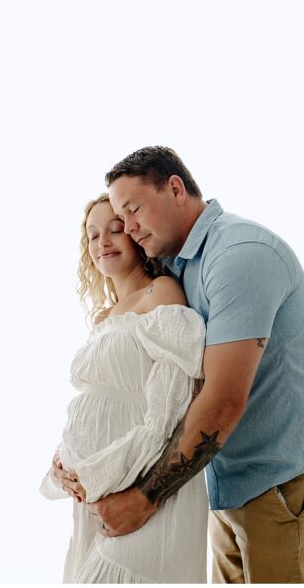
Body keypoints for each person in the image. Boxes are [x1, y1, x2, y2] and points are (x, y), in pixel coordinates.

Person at [86, 146, 304, 584]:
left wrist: (143, 499)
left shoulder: (238, 254)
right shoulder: (179, 266)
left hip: (281, 480)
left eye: (132, 210)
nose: (128, 228)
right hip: (227, 477)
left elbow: (223, 399)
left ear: (174, 189)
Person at [40, 193, 209, 583]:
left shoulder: (162, 294)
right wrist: (63, 466)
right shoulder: (102, 317)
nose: (103, 242)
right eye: (93, 235)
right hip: (96, 495)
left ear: (136, 235)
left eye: (115, 230)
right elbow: (93, 406)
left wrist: (96, 473)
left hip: (141, 484)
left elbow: (168, 414)